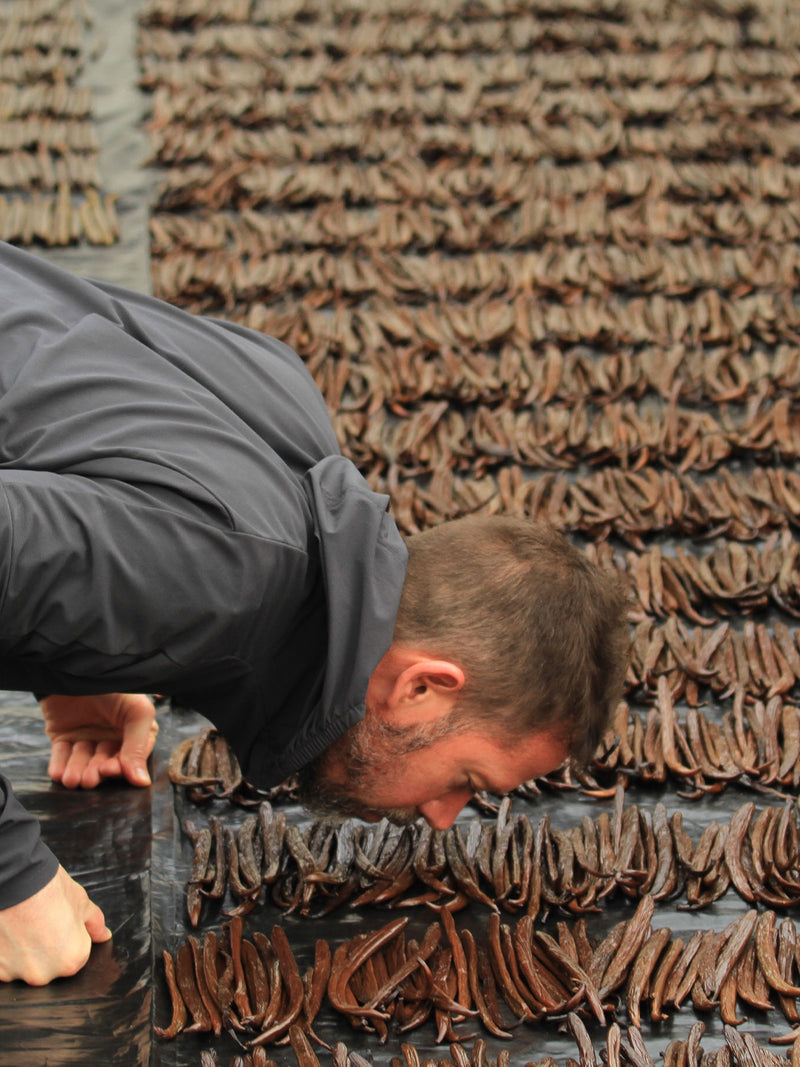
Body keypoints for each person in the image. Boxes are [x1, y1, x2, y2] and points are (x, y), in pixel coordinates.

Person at [0, 241, 629, 986]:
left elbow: (56, 401)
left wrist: (65, 654)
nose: (442, 816)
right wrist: (11, 875)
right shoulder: (215, 572)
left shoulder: (282, 404)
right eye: (466, 778)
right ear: (421, 686)